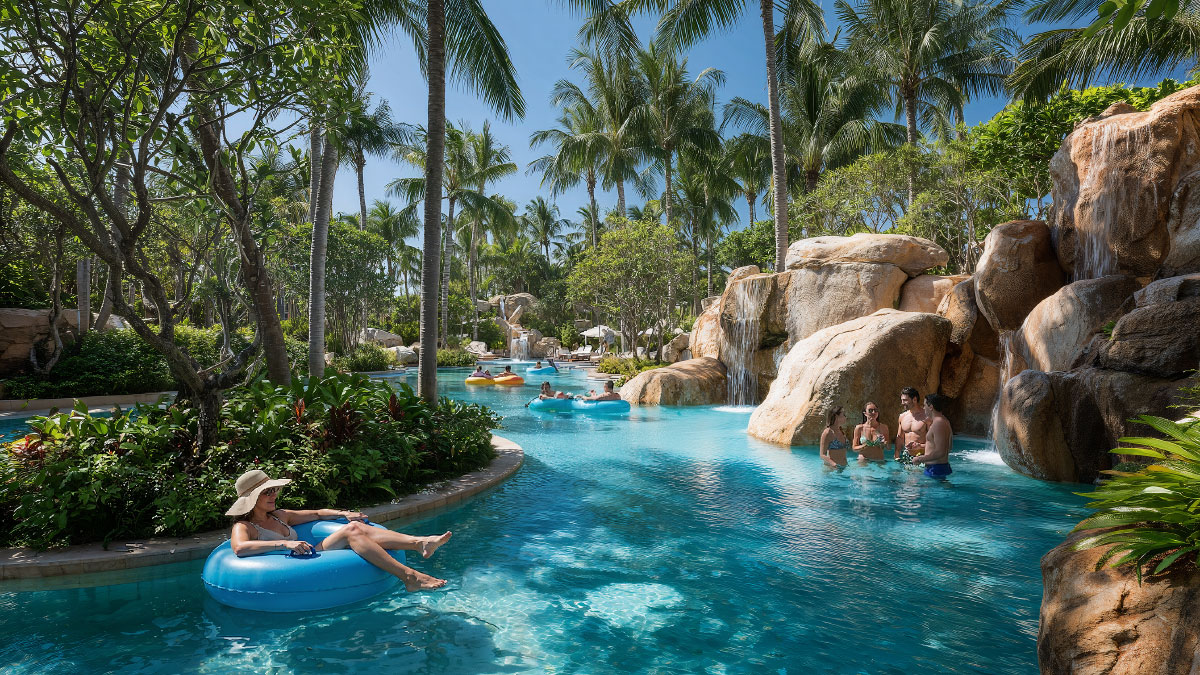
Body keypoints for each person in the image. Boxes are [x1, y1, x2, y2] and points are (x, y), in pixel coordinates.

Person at [226, 470, 451, 592]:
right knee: (353, 533)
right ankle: (410, 576)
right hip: (288, 568)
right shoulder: (244, 527)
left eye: (274, 490)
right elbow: (239, 548)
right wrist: (284, 543)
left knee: (354, 527)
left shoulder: (280, 515)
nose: (274, 495)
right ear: (253, 500)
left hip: (311, 555)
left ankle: (420, 543)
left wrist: (343, 513)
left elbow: (317, 514)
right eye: (268, 492)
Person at [910, 394, 953, 478]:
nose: (923, 408)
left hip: (936, 469)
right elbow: (947, 446)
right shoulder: (944, 421)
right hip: (937, 468)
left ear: (931, 407)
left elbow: (940, 452)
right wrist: (920, 446)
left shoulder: (938, 423)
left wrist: (919, 459)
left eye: (925, 405)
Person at [894, 387, 929, 462]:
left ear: (914, 399)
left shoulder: (927, 417)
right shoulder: (902, 416)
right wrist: (896, 455)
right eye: (902, 400)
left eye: (905, 400)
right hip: (907, 456)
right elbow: (900, 437)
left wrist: (920, 446)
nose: (902, 403)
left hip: (923, 457)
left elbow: (935, 441)